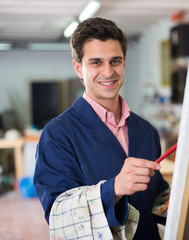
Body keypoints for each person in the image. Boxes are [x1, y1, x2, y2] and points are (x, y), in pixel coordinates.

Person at [33, 17, 169, 240]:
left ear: (124, 63)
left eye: (115, 61)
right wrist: (114, 188)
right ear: (79, 68)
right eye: (96, 62)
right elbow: (59, 216)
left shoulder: (146, 130)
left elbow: (156, 196)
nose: (108, 72)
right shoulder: (57, 135)